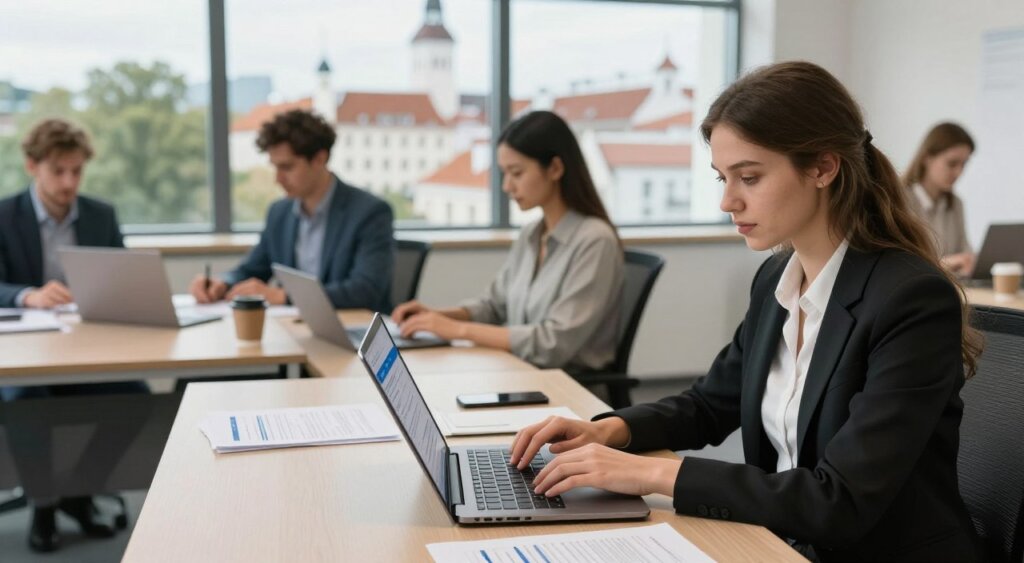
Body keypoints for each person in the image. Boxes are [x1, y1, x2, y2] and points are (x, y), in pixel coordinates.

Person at [510, 62, 983, 562]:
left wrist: (650, 473)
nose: (727, 201)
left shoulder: (911, 299)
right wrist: (608, 430)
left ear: (823, 168)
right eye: (723, 177)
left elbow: (839, 501)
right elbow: (711, 403)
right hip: (780, 543)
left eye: (749, 177)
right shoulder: (777, 280)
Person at [0, 118, 147, 552]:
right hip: (25, 356)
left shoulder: (100, 215)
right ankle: (45, 503)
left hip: (86, 350)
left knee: (136, 397)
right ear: (33, 166)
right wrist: (27, 295)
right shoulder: (4, 216)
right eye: (58, 171)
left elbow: (121, 278)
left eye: (77, 171)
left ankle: (79, 493)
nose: (69, 183)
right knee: (27, 399)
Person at [392, 111, 623, 372]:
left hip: (566, 385)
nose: (506, 186)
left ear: (555, 169)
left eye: (516, 173)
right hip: (520, 372)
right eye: (504, 173)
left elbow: (552, 344)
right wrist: (436, 317)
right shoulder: (531, 235)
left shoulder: (595, 241)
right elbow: (494, 306)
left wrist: (457, 329)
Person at [189, 109, 394, 312]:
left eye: (287, 167)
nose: (278, 179)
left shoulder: (370, 213)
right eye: (275, 167)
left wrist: (284, 296)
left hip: (354, 327)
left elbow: (366, 290)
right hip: (296, 326)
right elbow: (252, 269)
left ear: (319, 159)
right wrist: (223, 283)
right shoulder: (280, 212)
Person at [903, 122, 976, 276]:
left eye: (964, 164)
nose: (959, 172)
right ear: (927, 158)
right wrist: (947, 263)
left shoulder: (956, 204)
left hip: (950, 285)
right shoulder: (899, 199)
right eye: (952, 163)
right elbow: (901, 263)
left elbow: (965, 252)